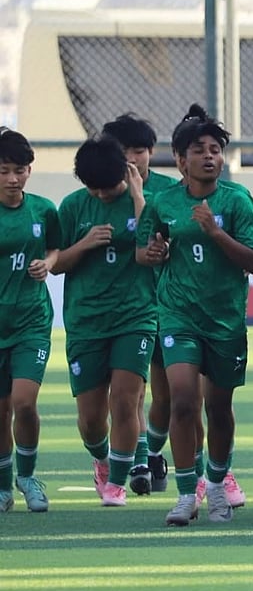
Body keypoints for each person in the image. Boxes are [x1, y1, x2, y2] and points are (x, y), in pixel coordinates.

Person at [136, 113, 253, 526]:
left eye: (216, 150)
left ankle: (218, 485)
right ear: (179, 158)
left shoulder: (237, 200)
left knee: (219, 408)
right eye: (199, 150)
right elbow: (146, 250)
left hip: (225, 321)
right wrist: (151, 254)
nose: (209, 157)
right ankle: (187, 494)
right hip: (177, 316)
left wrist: (216, 233)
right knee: (184, 400)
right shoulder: (164, 203)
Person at [53, 137, 156, 507]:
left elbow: (154, 248)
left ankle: (116, 483)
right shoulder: (72, 208)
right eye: (93, 189)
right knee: (91, 418)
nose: (101, 195)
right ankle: (101, 459)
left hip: (136, 315)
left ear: (125, 173)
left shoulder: (143, 202)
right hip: (85, 321)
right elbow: (55, 263)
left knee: (126, 401)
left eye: (108, 187)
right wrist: (84, 244)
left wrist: (141, 199)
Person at [101, 112, 179, 495]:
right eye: (122, 151)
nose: (131, 159)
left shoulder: (170, 191)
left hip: (170, 302)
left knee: (167, 396)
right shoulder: (102, 192)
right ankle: (139, 459)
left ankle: (152, 449)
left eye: (139, 150)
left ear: (152, 152)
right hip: (129, 307)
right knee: (132, 392)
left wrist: (138, 198)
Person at [0, 129, 60, 513]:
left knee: (24, 402)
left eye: (19, 170)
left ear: (29, 171)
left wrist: (49, 263)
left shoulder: (43, 210)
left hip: (31, 322)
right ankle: (3, 486)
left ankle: (27, 475)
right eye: (4, 170)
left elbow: (56, 247)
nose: (12, 179)